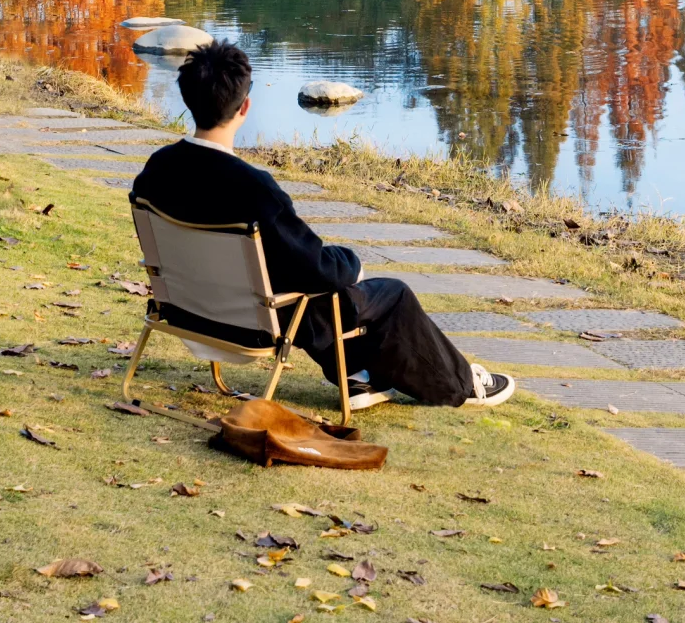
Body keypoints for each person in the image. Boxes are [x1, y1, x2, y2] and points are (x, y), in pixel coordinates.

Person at [131, 39, 515, 411]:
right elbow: (318, 269)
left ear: (188, 99)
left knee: (303, 288)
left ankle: (357, 376)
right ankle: (462, 385)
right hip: (248, 324)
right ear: (244, 106)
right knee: (386, 295)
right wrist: (352, 263)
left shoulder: (156, 170)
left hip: (187, 311)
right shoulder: (255, 189)